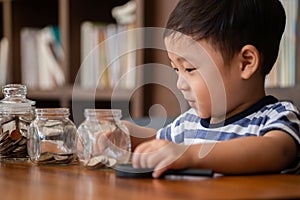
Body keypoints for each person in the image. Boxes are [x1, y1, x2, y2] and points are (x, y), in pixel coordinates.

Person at [124, 0, 300, 178]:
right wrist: (127, 136)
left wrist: (191, 155)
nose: (179, 84)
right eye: (176, 70)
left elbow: (277, 151)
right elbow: (158, 145)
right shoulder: (188, 123)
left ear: (246, 63)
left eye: (190, 69)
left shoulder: (279, 117)